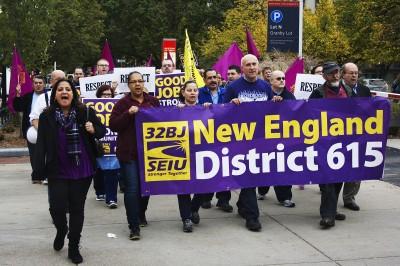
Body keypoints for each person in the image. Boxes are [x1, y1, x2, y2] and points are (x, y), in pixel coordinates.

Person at [33, 79, 106, 264]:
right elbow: (41, 145)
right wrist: (38, 171)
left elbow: (102, 131)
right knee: (56, 207)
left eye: (68, 89)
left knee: (76, 209)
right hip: (57, 170)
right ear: (55, 95)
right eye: (60, 90)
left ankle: (73, 245)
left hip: (82, 169)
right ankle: (61, 230)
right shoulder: (46, 116)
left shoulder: (85, 112)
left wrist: (93, 128)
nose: (64, 92)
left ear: (73, 93)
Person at [224, 54, 282, 232]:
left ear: (258, 66)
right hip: (240, 139)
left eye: (254, 64)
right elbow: (221, 111)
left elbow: (269, 112)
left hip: (260, 139)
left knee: (255, 176)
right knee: (248, 176)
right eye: (247, 64)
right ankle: (252, 217)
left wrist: (276, 102)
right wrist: (230, 104)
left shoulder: (265, 86)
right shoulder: (233, 87)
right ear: (242, 68)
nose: (251, 67)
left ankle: (243, 204)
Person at [109, 71, 160, 240]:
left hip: (149, 153)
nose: (137, 84)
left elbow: (163, 123)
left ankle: (140, 214)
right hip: (129, 153)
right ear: (128, 85)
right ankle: (134, 226)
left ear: (144, 83)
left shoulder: (153, 102)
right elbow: (113, 125)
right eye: (133, 82)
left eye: (140, 81)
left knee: (146, 189)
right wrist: (128, 114)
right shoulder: (123, 103)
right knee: (132, 189)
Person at [308, 61, 347, 229]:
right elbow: (309, 115)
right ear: (324, 76)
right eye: (332, 73)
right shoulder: (317, 93)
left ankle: (332, 208)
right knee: (329, 179)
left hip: (345, 142)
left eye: (337, 72)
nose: (335, 75)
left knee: (339, 178)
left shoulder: (349, 91)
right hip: (324, 143)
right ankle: (327, 215)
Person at [257, 70, 296, 208]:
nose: (282, 80)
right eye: (278, 78)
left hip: (284, 139)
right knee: (265, 166)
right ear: (271, 81)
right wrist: (270, 103)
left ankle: (285, 197)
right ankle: (262, 190)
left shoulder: (290, 96)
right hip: (265, 138)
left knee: (283, 168)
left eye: (283, 78)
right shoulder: (263, 95)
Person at [196, 69, 233, 212]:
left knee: (224, 168)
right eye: (209, 78)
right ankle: (206, 197)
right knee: (208, 167)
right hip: (206, 135)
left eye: (214, 78)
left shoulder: (225, 92)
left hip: (224, 135)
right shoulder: (199, 93)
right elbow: (191, 108)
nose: (212, 80)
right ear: (205, 80)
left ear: (218, 79)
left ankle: (223, 200)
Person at [340, 62, 371, 211]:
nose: (354, 75)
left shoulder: (365, 91)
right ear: (343, 74)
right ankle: (330, 198)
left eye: (356, 73)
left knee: (356, 167)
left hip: (358, 136)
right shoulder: (336, 90)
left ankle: (349, 198)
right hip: (338, 136)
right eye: (351, 73)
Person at [13, 75, 47, 184]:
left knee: (46, 153)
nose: (38, 85)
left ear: (44, 84)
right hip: (31, 130)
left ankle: (46, 175)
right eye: (36, 83)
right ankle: (36, 176)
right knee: (34, 153)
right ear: (33, 84)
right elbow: (18, 107)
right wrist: (18, 94)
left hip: (47, 129)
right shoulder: (28, 96)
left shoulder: (49, 96)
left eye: (40, 83)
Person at [95, 85, 120, 209]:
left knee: (112, 171)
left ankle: (111, 199)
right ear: (98, 96)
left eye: (109, 95)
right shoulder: (91, 108)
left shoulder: (118, 106)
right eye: (104, 94)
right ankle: (100, 191)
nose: (106, 97)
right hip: (98, 145)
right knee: (99, 171)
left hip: (113, 144)